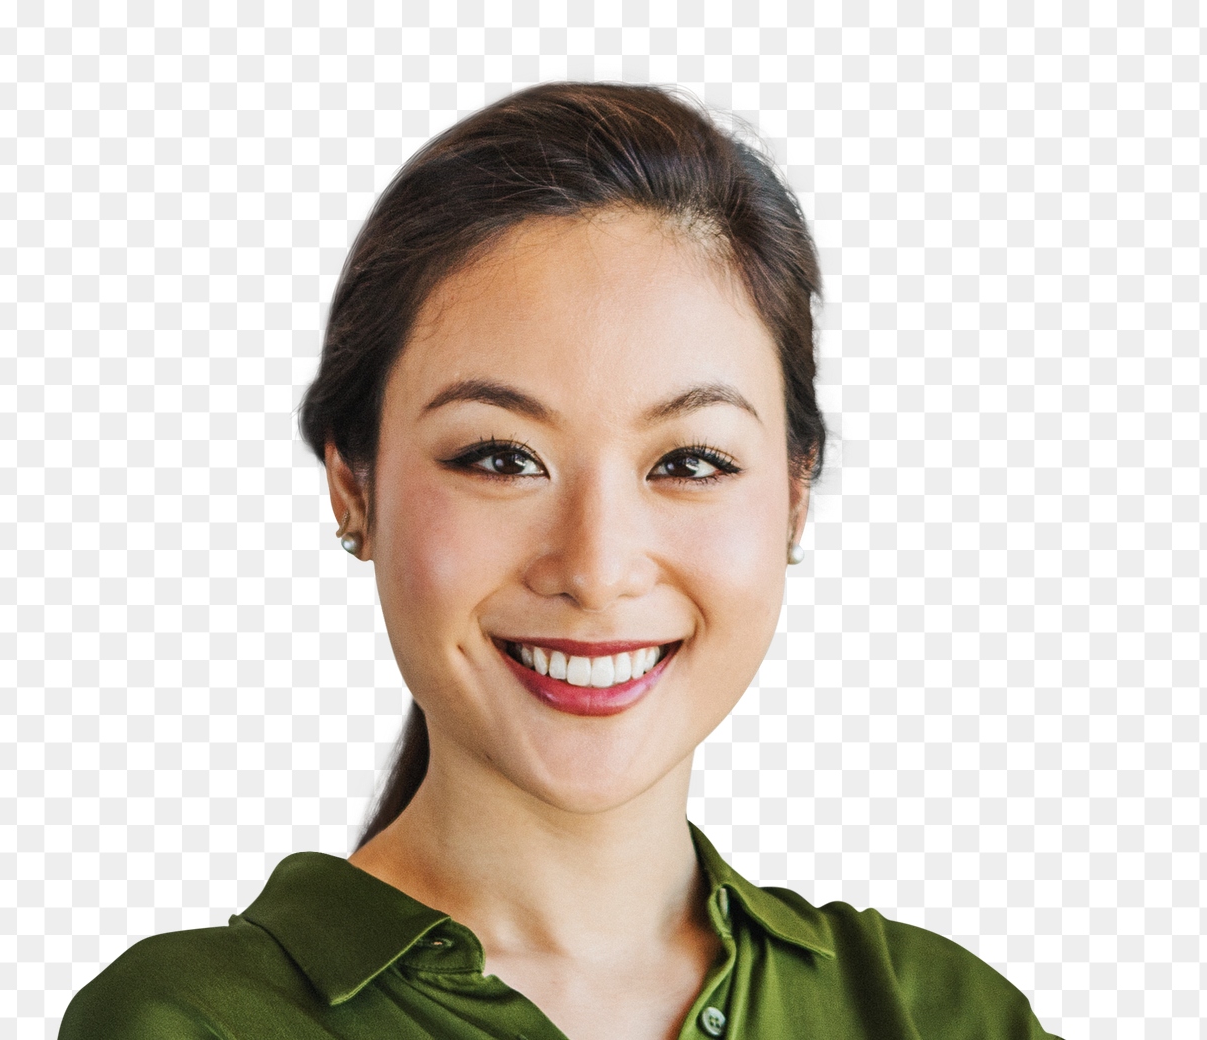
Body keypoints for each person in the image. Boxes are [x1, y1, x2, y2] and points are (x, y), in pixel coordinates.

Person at [59, 82, 1060, 1040]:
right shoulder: (188, 1022)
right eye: (501, 457)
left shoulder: (940, 1015)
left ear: (794, 495)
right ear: (353, 486)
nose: (595, 564)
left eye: (689, 461)